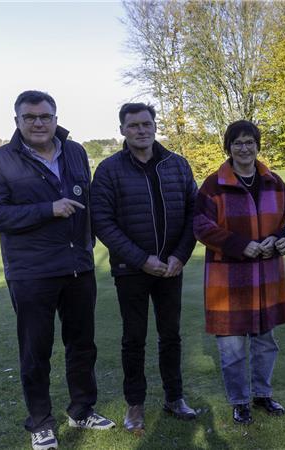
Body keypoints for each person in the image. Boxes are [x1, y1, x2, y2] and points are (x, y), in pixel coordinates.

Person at [0, 90, 115, 450]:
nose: (39, 123)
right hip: (31, 273)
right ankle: (41, 422)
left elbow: (86, 201)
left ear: (56, 119)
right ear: (17, 121)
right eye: (30, 117)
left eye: (45, 116)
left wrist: (89, 247)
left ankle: (81, 410)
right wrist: (48, 209)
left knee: (82, 346)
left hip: (78, 267)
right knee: (35, 351)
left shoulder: (74, 151)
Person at [91, 103, 198, 432]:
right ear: (122, 130)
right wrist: (141, 259)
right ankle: (135, 405)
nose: (141, 129)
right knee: (133, 339)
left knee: (171, 336)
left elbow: (196, 215)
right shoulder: (109, 169)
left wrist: (179, 256)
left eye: (146, 123)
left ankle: (174, 397)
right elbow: (103, 222)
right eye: (134, 125)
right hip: (131, 270)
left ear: (155, 126)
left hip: (171, 268)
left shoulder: (177, 165)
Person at [193, 120, 285, 425]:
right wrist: (239, 245)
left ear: (257, 145)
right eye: (238, 143)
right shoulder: (213, 185)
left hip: (266, 276)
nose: (244, 148)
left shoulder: (274, 182)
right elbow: (201, 226)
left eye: (250, 142)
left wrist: (281, 240)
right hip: (229, 280)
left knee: (265, 343)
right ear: (228, 147)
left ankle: (263, 394)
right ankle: (240, 401)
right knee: (232, 347)